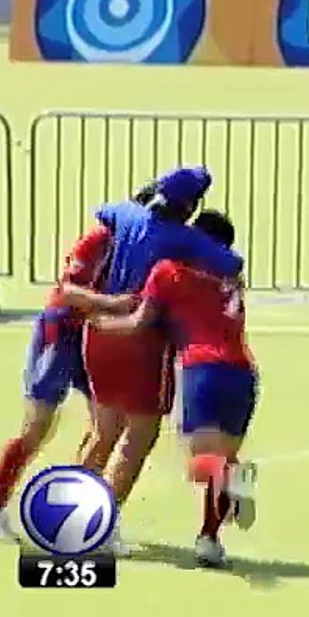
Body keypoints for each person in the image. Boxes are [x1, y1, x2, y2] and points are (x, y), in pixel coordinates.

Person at [80, 166, 243, 555]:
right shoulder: (182, 246)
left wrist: (99, 318)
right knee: (141, 439)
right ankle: (106, 526)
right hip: (145, 348)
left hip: (99, 339)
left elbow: (103, 211)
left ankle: (72, 513)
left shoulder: (125, 215)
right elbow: (230, 264)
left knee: (103, 434)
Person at [0, 183, 155, 542]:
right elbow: (67, 290)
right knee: (37, 428)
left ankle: (86, 516)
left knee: (105, 430)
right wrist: (111, 303)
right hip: (60, 334)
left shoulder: (151, 251)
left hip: (98, 338)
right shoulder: (99, 239)